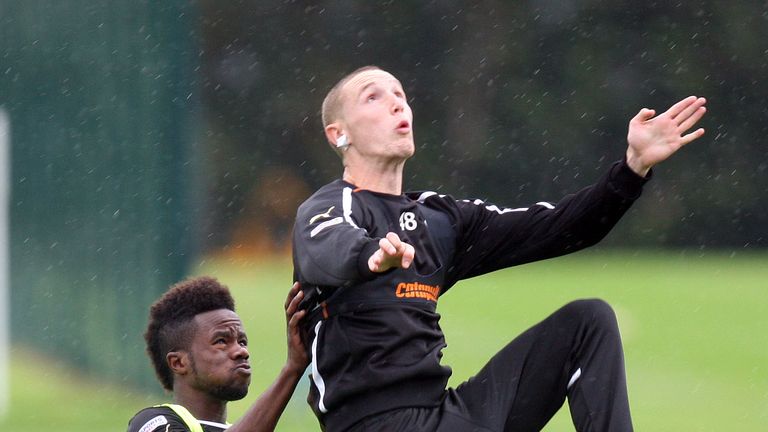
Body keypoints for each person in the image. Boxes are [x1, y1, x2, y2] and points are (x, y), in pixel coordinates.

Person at [291, 65, 707, 432]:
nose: (397, 104)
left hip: (442, 414)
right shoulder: (332, 207)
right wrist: (371, 256)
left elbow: (561, 227)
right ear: (338, 132)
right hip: (374, 424)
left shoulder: (439, 218)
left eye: (400, 94)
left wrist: (632, 169)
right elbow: (324, 250)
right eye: (374, 96)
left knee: (587, 321)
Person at [126, 276, 308, 432]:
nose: (241, 351)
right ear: (179, 363)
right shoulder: (152, 423)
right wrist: (291, 370)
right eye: (221, 341)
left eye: (242, 341)